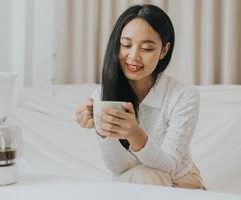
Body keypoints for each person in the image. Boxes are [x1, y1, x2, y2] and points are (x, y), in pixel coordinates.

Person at [75, 4, 206, 189]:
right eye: (126, 45)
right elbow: (120, 169)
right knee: (139, 175)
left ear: (164, 51)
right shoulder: (102, 96)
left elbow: (170, 166)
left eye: (146, 48)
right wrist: (102, 130)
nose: (133, 56)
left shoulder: (184, 95)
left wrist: (134, 134)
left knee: (145, 175)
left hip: (180, 183)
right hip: (135, 183)